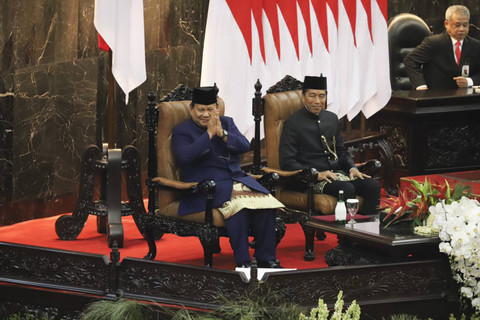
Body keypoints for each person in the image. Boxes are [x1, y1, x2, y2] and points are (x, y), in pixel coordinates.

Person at [172, 86, 284, 268]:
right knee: (237, 208)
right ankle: (244, 264)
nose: (205, 114)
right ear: (192, 109)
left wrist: (222, 134)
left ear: (217, 109)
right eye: (200, 110)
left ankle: (267, 260)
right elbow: (185, 156)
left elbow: (244, 145)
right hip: (205, 189)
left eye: (210, 110)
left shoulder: (227, 123)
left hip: (236, 181)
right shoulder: (182, 131)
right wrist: (209, 134)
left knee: (266, 204)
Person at [279, 75, 381, 215]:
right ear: (303, 97)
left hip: (337, 175)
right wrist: (316, 174)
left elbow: (341, 151)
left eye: (322, 96)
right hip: (311, 180)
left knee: (372, 186)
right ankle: (345, 236)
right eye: (312, 96)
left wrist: (352, 168)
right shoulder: (293, 123)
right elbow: (287, 162)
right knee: (346, 189)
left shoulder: (331, 118)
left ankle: (367, 230)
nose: (317, 101)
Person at [404, 5, 480, 90]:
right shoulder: (434, 43)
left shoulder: (475, 45)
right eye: (457, 25)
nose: (462, 29)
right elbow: (410, 60)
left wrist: (469, 81)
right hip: (437, 97)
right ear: (446, 24)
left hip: (465, 98)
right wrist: (421, 86)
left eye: (465, 25)